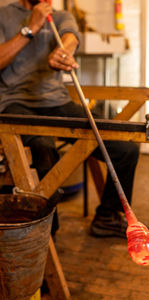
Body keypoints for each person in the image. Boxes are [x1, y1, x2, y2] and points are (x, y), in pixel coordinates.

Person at [0, 0, 139, 238]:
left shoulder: (61, 15)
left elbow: (70, 37)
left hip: (57, 102)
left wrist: (63, 50)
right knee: (45, 152)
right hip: (15, 103)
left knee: (125, 149)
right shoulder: (4, 15)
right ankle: (46, 236)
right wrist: (31, 28)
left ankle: (106, 217)